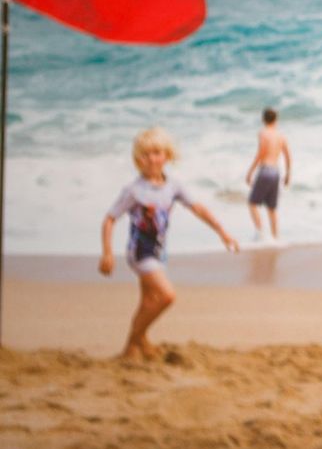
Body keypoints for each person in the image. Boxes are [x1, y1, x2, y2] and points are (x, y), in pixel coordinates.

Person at [99, 127, 239, 359]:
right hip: (140, 253)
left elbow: (198, 208)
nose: (152, 159)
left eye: (157, 153)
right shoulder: (134, 190)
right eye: (145, 154)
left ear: (168, 155)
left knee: (147, 301)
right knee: (166, 296)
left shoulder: (173, 186)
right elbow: (110, 219)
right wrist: (107, 253)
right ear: (137, 159)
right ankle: (135, 339)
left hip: (159, 251)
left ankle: (135, 346)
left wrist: (222, 232)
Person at [244, 107, 293, 241]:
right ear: (276, 119)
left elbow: (261, 153)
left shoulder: (263, 133)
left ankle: (260, 233)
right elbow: (288, 156)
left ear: (263, 119)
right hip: (276, 172)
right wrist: (288, 174)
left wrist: (250, 172)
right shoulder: (281, 136)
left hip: (265, 170)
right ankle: (275, 237)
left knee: (252, 203)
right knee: (271, 207)